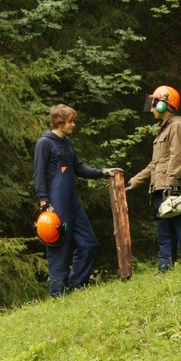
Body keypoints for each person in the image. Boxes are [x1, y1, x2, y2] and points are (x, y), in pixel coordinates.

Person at [33, 104, 120, 297]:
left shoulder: (68, 143)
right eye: (70, 121)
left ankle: (76, 286)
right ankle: (58, 295)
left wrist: (103, 172)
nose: (73, 124)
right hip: (55, 205)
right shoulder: (44, 143)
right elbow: (38, 176)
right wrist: (44, 203)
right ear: (59, 122)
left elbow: (79, 168)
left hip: (73, 203)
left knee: (89, 243)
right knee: (59, 250)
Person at [127, 85, 181, 271]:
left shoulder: (177, 125)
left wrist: (172, 185)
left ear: (163, 105)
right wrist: (134, 181)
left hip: (174, 187)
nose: (151, 109)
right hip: (160, 189)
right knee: (164, 231)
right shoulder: (162, 130)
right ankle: (165, 269)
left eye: (154, 104)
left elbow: (178, 157)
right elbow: (155, 164)